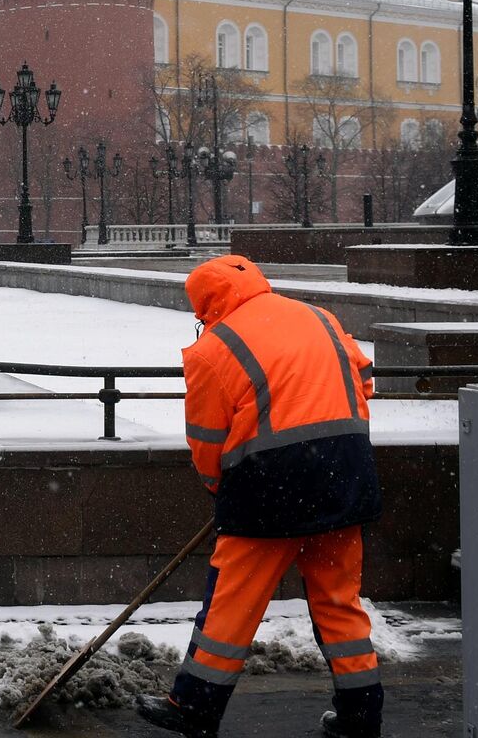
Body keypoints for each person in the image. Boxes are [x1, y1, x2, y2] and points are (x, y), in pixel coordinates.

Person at [137, 255, 383, 738]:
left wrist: (219, 488)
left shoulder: (212, 349)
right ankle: (362, 715)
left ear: (204, 304)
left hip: (268, 488)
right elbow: (365, 380)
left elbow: (207, 440)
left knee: (232, 605)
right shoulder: (319, 316)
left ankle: (195, 708)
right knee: (339, 601)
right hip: (346, 471)